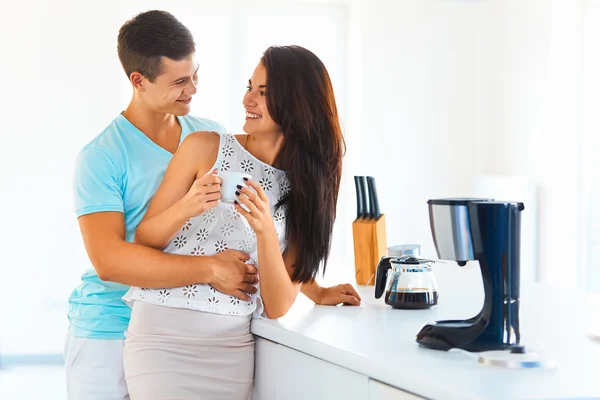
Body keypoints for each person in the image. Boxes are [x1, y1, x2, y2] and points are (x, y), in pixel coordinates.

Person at [66, 10, 360, 400]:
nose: (193, 89)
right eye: (180, 81)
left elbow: (250, 227)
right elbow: (110, 260)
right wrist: (209, 269)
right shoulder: (101, 156)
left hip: (212, 332)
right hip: (107, 324)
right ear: (139, 81)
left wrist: (311, 286)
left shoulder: (210, 137)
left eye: (195, 75)